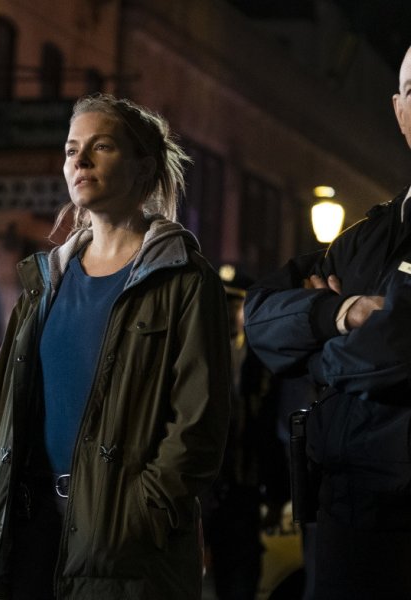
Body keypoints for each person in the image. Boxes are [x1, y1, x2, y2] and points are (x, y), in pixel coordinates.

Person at [0, 93, 231, 599]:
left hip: (120, 544)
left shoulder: (183, 280)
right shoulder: (45, 280)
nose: (80, 161)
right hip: (23, 531)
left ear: (144, 168)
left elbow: (197, 425)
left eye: (101, 147)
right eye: (71, 149)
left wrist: (142, 513)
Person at [244, 45, 411, 600]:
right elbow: (260, 316)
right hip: (345, 520)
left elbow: (395, 351)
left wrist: (315, 353)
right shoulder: (362, 238)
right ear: (398, 110)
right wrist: (341, 313)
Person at [201, 266, 288, 600]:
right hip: (203, 488)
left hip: (243, 488)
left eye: (233, 304)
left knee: (240, 579)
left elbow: (272, 428)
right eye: (220, 304)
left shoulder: (261, 360)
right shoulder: (197, 354)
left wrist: (276, 495)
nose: (225, 313)